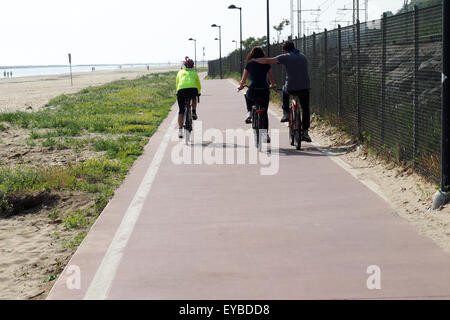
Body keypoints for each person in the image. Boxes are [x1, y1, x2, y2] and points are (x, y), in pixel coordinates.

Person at [252, 40, 311, 143]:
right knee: (305, 108)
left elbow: (267, 61)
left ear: (285, 50)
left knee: (284, 90)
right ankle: (305, 131)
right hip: (305, 87)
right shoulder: (303, 56)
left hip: (291, 87)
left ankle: (286, 114)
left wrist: (254, 60)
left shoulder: (285, 56)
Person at [238, 46, 276, 143]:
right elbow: (271, 77)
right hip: (264, 88)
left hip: (253, 88)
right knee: (264, 112)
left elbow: (243, 79)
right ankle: (265, 134)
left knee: (247, 95)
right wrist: (272, 84)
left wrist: (240, 86)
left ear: (252, 54)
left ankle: (249, 113)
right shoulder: (266, 64)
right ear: (262, 54)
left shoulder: (249, 64)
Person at [176, 58, 201, 138]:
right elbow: (198, 84)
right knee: (194, 98)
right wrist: (199, 92)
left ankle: (180, 130)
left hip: (181, 90)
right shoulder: (194, 72)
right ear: (193, 66)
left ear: (185, 66)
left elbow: (177, 83)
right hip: (192, 89)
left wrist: (177, 91)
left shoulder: (180, 72)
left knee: (181, 110)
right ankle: (193, 111)